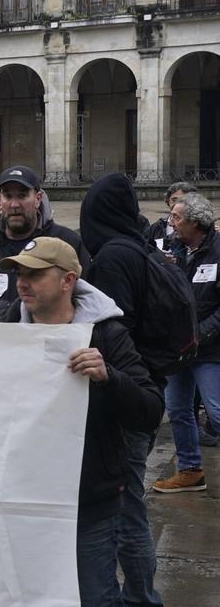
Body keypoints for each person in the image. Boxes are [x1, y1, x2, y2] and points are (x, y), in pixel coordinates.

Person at [0, 237, 163, 606]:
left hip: (90, 499)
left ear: (68, 281)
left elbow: (150, 409)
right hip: (23, 495)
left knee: (94, 595)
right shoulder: (6, 327)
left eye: (35, 274)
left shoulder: (107, 333)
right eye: (19, 273)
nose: (22, 282)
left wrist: (110, 376)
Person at [77, 172, 170, 606]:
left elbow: (112, 328)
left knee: (127, 510)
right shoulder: (140, 246)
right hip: (149, 380)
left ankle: (140, 597)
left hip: (125, 390)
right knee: (130, 506)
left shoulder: (114, 257)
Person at [0, 166, 89, 321]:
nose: (14, 204)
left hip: (51, 342)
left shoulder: (67, 243)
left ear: (38, 199)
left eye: (22, 196)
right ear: (0, 199)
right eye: (8, 196)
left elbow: (87, 299)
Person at [154, 192, 220, 494]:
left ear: (195, 221)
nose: (171, 222)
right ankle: (190, 470)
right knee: (179, 409)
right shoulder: (175, 250)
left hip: (210, 348)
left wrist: (200, 333)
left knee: (216, 413)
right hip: (179, 348)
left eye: (177, 217)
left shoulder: (218, 251)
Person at [145, 181, 197, 249]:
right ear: (168, 202)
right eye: (174, 200)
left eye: (182, 200)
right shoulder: (156, 227)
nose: (177, 204)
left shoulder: (199, 228)